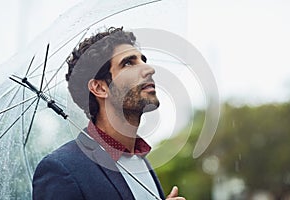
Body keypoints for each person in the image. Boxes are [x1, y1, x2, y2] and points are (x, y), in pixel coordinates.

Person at [32, 27, 185, 200]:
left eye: (143, 60)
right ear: (100, 88)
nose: (149, 69)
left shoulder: (141, 162)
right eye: (128, 63)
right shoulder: (62, 169)